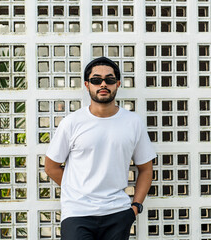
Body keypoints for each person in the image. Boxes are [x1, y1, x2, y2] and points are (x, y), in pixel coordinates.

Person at [45, 57, 156, 240]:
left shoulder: (133, 122)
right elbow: (51, 167)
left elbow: (146, 169)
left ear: (118, 84)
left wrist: (135, 208)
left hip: (117, 213)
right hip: (77, 214)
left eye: (109, 80)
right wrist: (79, 190)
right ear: (87, 85)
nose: (103, 84)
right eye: (96, 80)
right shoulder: (71, 123)